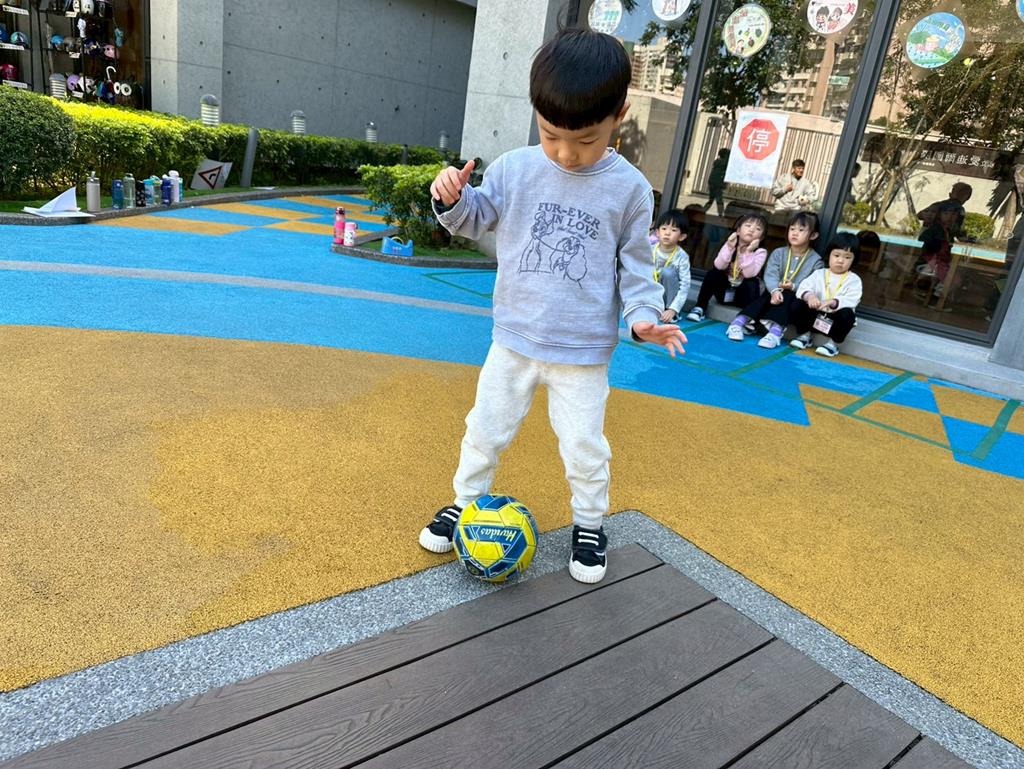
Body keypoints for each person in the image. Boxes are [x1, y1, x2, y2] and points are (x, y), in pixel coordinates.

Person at [420, 27, 686, 584]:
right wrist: (452, 197)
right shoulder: (515, 168)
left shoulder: (631, 191)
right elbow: (475, 218)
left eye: (585, 140)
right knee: (484, 428)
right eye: (550, 135)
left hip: (582, 354)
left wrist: (644, 320)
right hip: (513, 339)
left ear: (619, 116)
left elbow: (636, 271)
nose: (566, 153)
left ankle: (589, 524)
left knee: (585, 446)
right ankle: (465, 502)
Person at [726, 211, 823, 348]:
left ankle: (775, 332)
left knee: (788, 296)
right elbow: (770, 275)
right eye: (792, 229)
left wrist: (793, 286)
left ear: (813, 235)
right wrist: (775, 291)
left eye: (801, 230)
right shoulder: (779, 252)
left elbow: (813, 284)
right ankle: (738, 322)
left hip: (796, 298)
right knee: (765, 297)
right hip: (774, 292)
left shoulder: (816, 260)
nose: (795, 233)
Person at [790, 232, 864, 357]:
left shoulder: (854, 280)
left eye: (847, 257)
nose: (840, 260)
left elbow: (853, 299)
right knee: (797, 304)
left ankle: (832, 344)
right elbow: (803, 287)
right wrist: (810, 296)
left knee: (847, 315)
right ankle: (805, 335)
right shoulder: (819, 273)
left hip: (834, 320)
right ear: (829, 254)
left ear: (853, 260)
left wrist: (833, 302)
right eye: (836, 255)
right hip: (815, 316)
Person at [686, 212, 768, 322]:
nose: (752, 230)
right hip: (725, 292)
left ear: (761, 237)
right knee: (714, 273)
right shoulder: (730, 244)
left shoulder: (760, 252)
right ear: (738, 231)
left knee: (752, 282)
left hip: (744, 296)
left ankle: (746, 317)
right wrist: (729, 247)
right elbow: (719, 265)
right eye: (748, 226)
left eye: (758, 229)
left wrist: (749, 252)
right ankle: (700, 307)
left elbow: (749, 274)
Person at [915, 182, 973, 304]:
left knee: (931, 265)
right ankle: (935, 296)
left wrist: (932, 217)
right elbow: (956, 230)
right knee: (944, 270)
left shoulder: (939, 205)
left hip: (932, 245)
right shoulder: (958, 209)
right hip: (940, 247)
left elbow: (920, 215)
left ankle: (926, 289)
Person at [651, 208, 692, 323]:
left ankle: (669, 311)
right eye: (664, 229)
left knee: (668, 272)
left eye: (673, 230)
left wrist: (674, 309)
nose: (667, 233)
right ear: (657, 232)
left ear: (682, 236)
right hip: (651, 294)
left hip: (668, 298)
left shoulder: (682, 257)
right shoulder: (649, 250)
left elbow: (685, 285)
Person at [703, 148, 730, 216]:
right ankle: (720, 215)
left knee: (711, 200)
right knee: (719, 200)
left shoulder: (717, 161)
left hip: (712, 182)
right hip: (717, 184)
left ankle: (702, 211)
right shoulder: (723, 162)